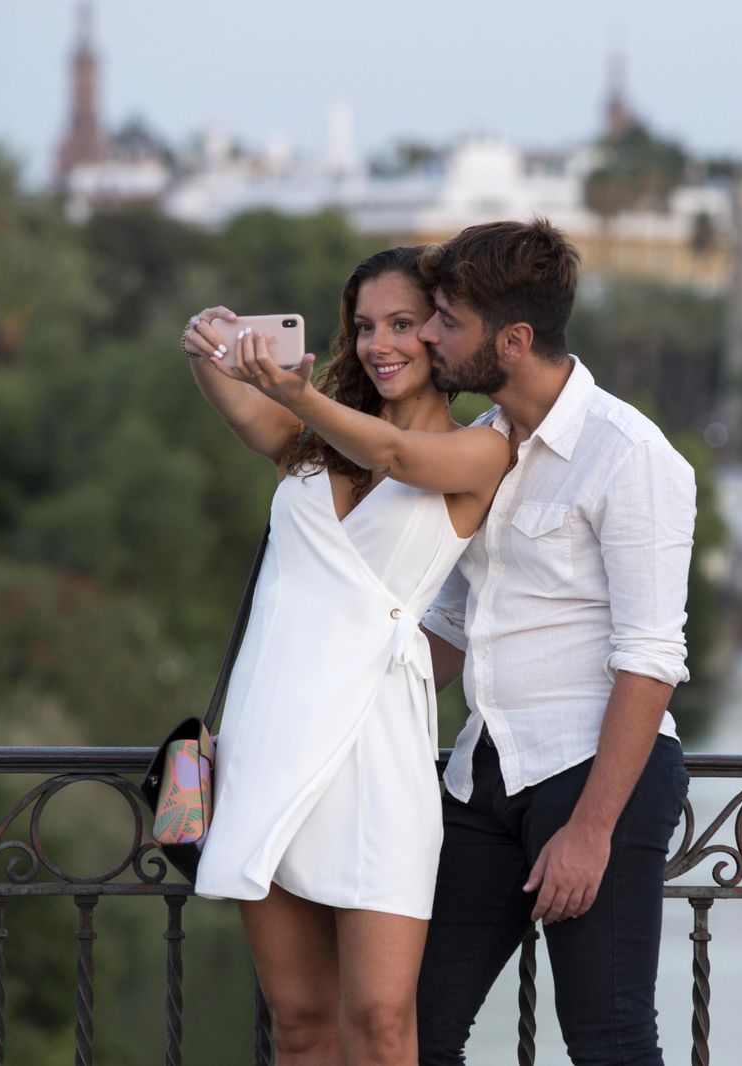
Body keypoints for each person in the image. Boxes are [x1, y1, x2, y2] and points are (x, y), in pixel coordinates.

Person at [179, 245, 511, 1066]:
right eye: (363, 326)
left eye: (402, 323)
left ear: (441, 331)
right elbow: (244, 412)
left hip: (376, 755)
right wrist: (209, 350)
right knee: (298, 1021)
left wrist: (296, 393)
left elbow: (394, 458)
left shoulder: (480, 451)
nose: (379, 343)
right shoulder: (307, 442)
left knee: (383, 1025)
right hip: (267, 744)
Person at [411, 219, 697, 1065]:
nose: (429, 336)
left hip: (593, 775)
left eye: (447, 322)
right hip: (482, 773)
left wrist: (592, 829)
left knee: (607, 1042)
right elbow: (454, 629)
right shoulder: (487, 449)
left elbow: (651, 659)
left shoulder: (630, 455)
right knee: (413, 1030)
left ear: (515, 339)